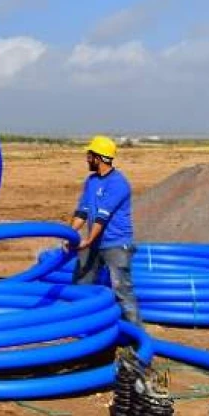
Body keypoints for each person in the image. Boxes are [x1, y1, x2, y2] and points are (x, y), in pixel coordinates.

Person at [69, 135, 140, 324]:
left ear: (98, 157)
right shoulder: (91, 181)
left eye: (89, 155)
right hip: (95, 242)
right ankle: (81, 329)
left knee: (121, 290)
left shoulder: (118, 183)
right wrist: (70, 235)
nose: (86, 158)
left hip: (116, 243)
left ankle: (137, 341)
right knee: (80, 284)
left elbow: (102, 217)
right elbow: (82, 212)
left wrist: (89, 240)